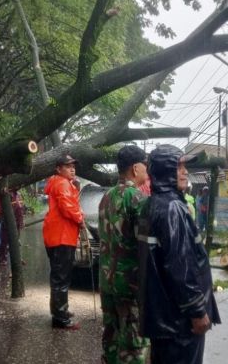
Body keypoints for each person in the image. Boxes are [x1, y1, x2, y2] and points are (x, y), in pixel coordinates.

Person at [137, 144, 221, 364]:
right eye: (179, 167)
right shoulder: (172, 208)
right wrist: (197, 310)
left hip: (162, 317)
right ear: (165, 171)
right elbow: (180, 267)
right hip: (178, 323)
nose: (185, 172)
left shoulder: (151, 205)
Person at [98, 145, 151, 364]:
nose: (147, 170)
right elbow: (144, 245)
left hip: (107, 279)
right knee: (132, 344)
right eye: (145, 165)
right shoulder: (137, 198)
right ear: (135, 168)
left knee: (110, 337)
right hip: (129, 284)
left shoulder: (106, 197)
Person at [43, 154, 84, 329]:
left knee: (60, 276)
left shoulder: (60, 183)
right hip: (62, 236)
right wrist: (80, 219)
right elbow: (68, 206)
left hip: (58, 235)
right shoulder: (62, 183)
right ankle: (60, 318)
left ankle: (61, 311)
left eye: (73, 166)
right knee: (61, 278)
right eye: (68, 166)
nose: (72, 169)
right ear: (58, 169)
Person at [0, 189, 24, 265]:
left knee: (15, 238)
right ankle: (2, 258)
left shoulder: (15, 192)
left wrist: (21, 221)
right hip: (6, 215)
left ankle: (17, 257)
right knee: (4, 239)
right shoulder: (1, 190)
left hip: (16, 214)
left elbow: (19, 205)